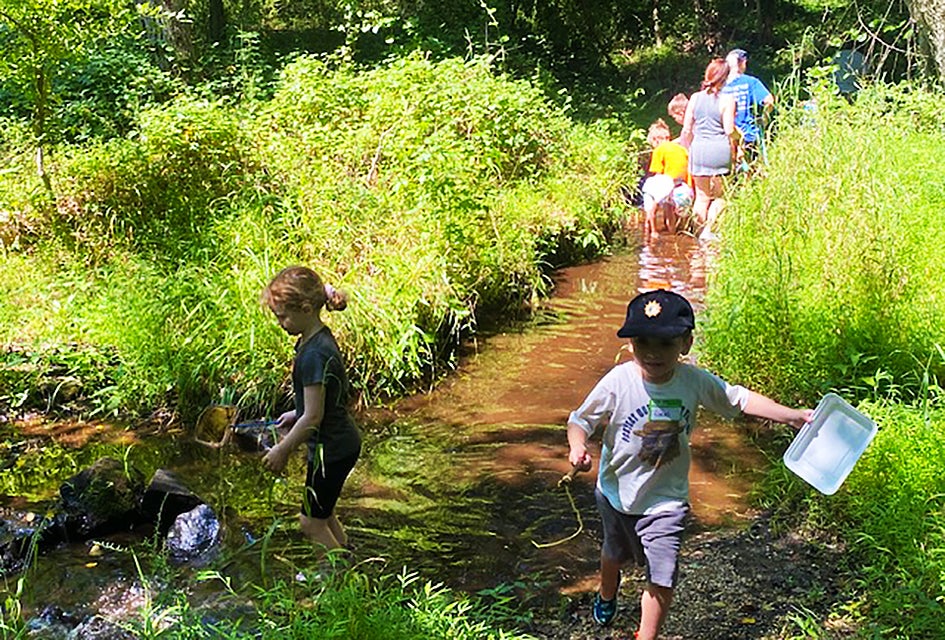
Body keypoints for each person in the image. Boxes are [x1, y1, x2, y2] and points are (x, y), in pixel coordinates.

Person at [566, 289, 811, 640]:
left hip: (667, 500)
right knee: (613, 552)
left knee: (663, 573)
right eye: (642, 341)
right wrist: (578, 446)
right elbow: (580, 420)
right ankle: (607, 594)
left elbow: (738, 399)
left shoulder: (693, 381)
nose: (652, 352)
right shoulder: (619, 381)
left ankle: (646, 635)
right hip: (616, 492)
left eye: (665, 343)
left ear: (686, 343)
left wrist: (792, 417)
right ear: (630, 343)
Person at [260, 266, 361, 552]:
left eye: (282, 316)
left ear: (305, 308)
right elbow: (317, 405)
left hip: (331, 449)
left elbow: (314, 417)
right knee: (323, 513)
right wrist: (295, 413)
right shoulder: (315, 339)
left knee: (310, 522)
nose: (280, 323)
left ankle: (336, 581)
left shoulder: (314, 353)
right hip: (339, 443)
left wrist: (283, 449)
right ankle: (347, 558)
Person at [681, 58, 738, 242]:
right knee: (721, 196)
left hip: (699, 149)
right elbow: (729, 130)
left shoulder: (695, 98)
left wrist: (689, 148)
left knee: (702, 196)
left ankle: (699, 235)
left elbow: (687, 129)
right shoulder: (727, 99)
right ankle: (710, 231)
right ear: (725, 77)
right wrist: (740, 136)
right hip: (719, 150)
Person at [640, 119, 692, 240]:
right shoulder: (681, 149)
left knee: (660, 203)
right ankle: (677, 231)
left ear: (655, 140)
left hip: (670, 184)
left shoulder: (659, 150)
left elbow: (658, 174)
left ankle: (656, 232)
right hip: (684, 188)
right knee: (675, 209)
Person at [722, 48, 774, 167]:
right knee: (752, 170)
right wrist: (764, 119)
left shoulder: (719, 84)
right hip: (748, 134)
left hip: (725, 136)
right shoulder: (750, 82)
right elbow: (769, 101)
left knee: (729, 176)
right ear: (742, 63)